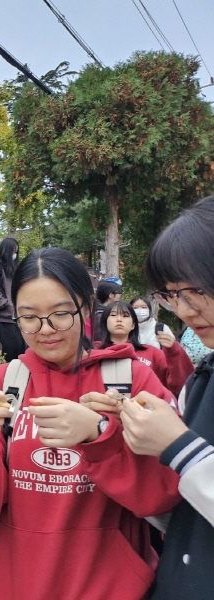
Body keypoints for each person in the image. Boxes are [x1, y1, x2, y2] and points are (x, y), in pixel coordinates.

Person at [0, 247, 181, 600]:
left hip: (107, 586)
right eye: (29, 317)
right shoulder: (4, 382)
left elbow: (164, 492)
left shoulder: (132, 381)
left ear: (86, 307)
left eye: (60, 314)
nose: (46, 330)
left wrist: (99, 434)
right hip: (10, 583)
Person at [117, 196, 214, 600]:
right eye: (171, 295)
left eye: (194, 290)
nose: (185, 310)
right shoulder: (203, 379)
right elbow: (185, 518)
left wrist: (179, 448)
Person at [100, 301, 194, 396]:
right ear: (105, 322)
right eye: (113, 315)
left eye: (125, 316)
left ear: (133, 325)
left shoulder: (152, 353)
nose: (119, 319)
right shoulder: (95, 355)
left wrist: (174, 351)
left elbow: (180, 385)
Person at [0, 237, 26, 362]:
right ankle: (6, 378)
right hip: (4, 316)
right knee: (11, 350)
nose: (15, 254)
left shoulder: (11, 268)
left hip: (15, 316)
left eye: (16, 251)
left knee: (20, 349)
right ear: (6, 250)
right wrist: (7, 305)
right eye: (13, 251)